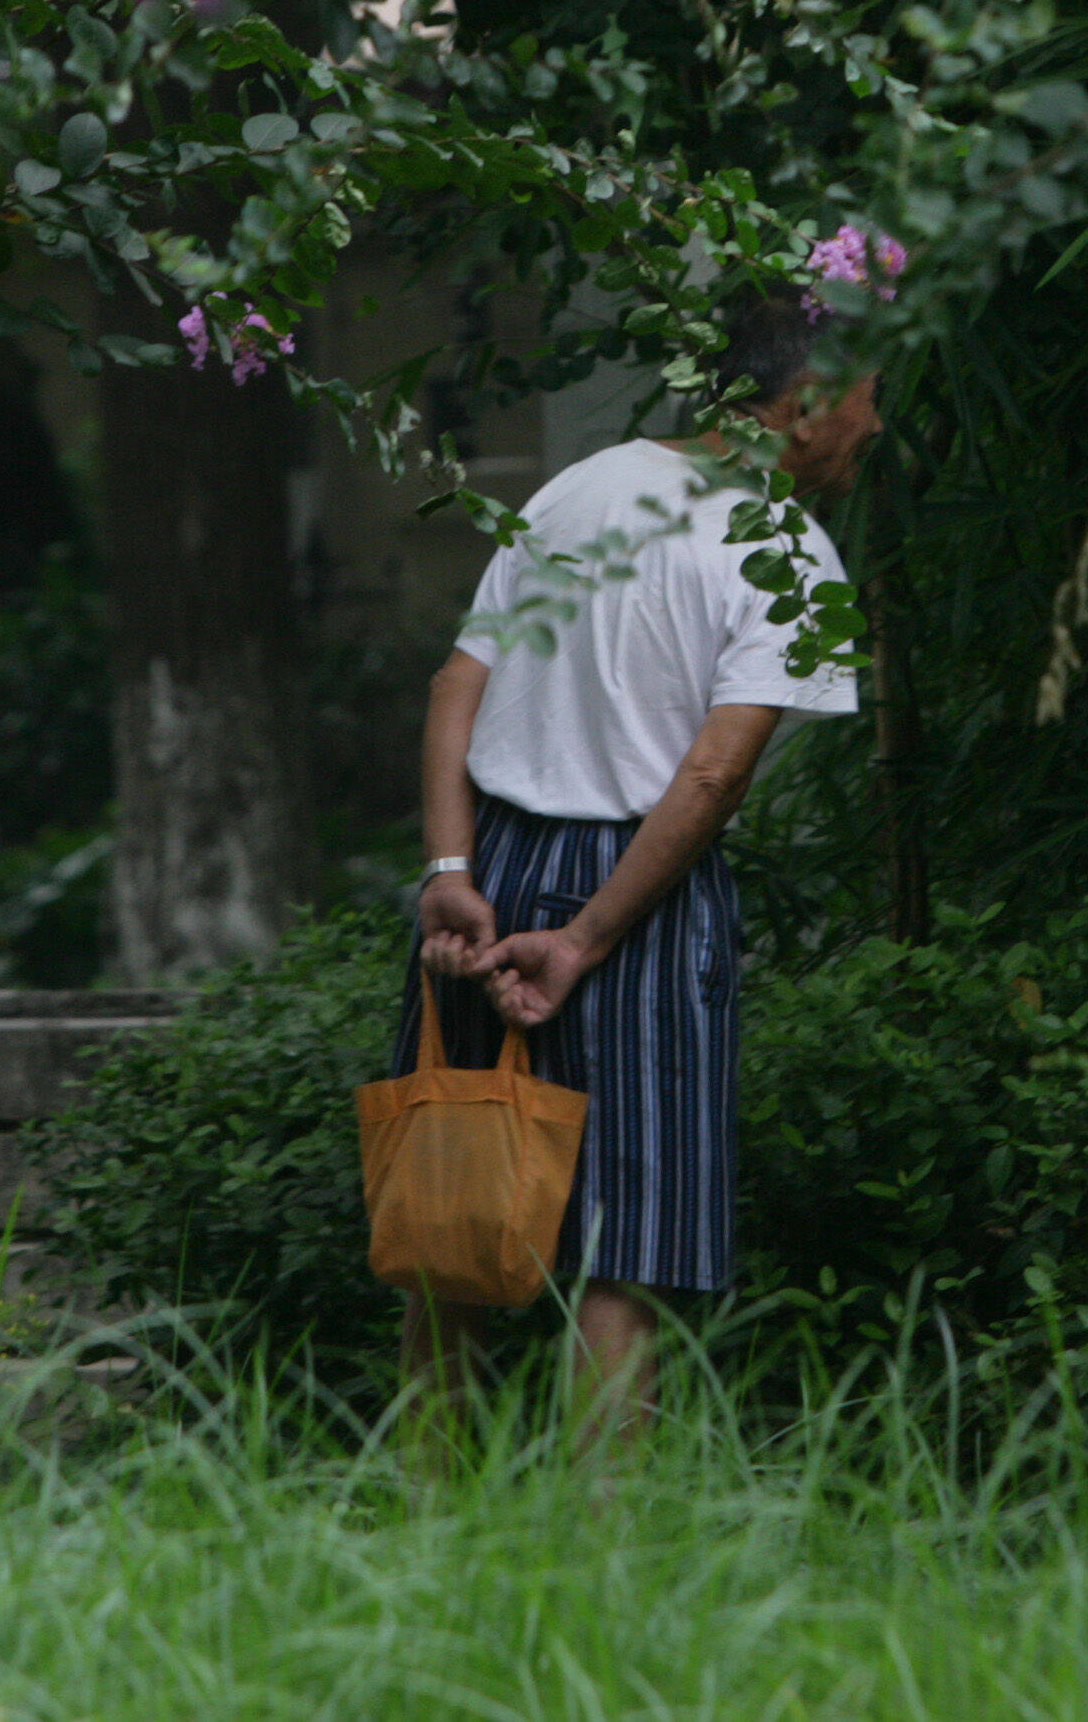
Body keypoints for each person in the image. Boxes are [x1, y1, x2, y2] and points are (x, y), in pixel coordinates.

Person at [395, 291, 880, 1432]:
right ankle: (602, 1556)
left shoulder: (586, 486)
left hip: (493, 858)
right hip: (642, 897)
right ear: (804, 404)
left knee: (451, 1215)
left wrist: (447, 867)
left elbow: (453, 687)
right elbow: (710, 779)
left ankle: (421, 1515)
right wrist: (586, 937)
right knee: (625, 1246)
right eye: (871, 401)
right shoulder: (787, 551)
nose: (876, 429)